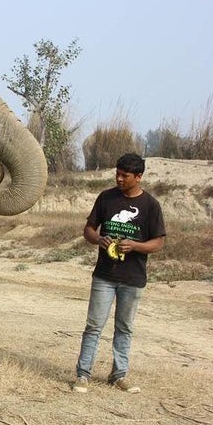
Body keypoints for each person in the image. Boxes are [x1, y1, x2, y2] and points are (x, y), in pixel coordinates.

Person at [72, 153, 166, 393]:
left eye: (125, 175)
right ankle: (83, 375)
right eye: (117, 173)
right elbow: (88, 230)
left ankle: (118, 375)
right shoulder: (106, 198)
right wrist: (99, 239)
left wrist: (135, 246)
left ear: (139, 176)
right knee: (94, 325)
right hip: (104, 275)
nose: (119, 178)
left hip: (133, 278)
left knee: (124, 327)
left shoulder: (150, 206)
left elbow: (158, 243)